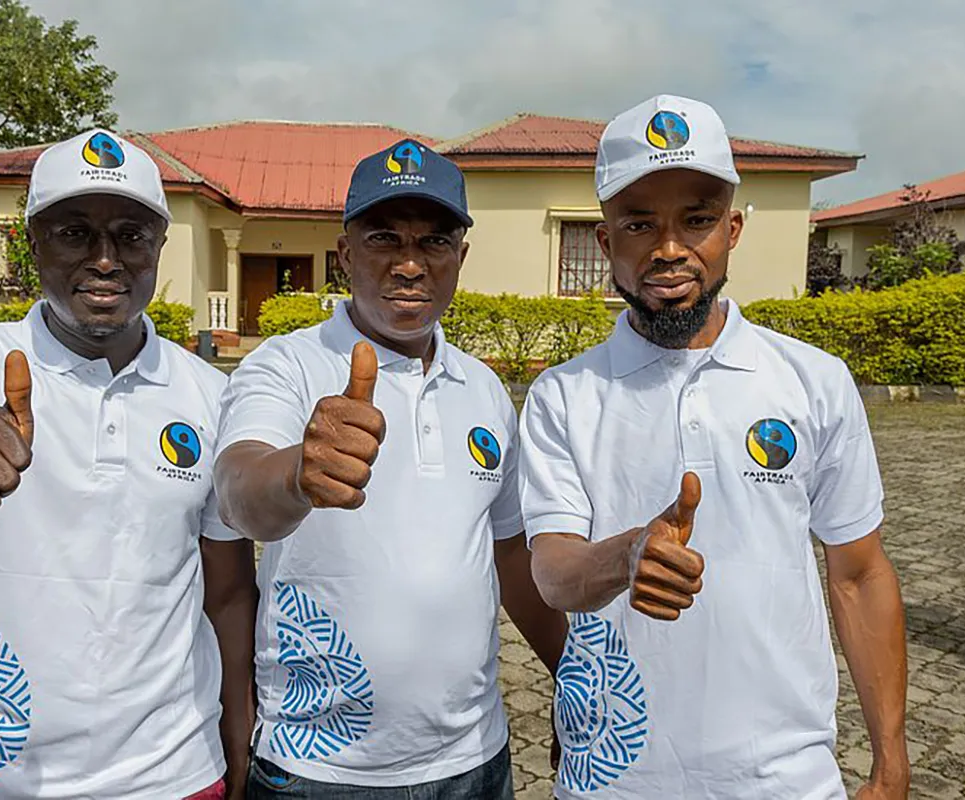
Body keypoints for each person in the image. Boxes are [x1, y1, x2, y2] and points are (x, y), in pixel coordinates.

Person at [519, 95, 909, 799]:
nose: (669, 248)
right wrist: (627, 554)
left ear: (731, 230)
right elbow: (552, 574)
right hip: (615, 778)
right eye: (639, 223)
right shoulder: (562, 396)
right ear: (606, 243)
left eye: (696, 219)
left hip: (785, 779)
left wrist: (891, 758)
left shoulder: (813, 381)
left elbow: (859, 573)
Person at [0, 129, 257, 800]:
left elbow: (226, 593)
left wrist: (238, 746)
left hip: (173, 776)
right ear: (33, 245)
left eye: (131, 235)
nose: (106, 259)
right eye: (74, 234)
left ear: (159, 249)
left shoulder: (214, 396)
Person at [212, 138, 569, 798]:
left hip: (474, 764)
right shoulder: (285, 366)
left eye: (434, 242)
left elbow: (510, 552)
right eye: (384, 238)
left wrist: (574, 678)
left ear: (460, 258)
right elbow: (239, 490)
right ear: (345, 253)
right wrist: (297, 472)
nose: (410, 263)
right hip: (318, 769)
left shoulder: (484, 389)